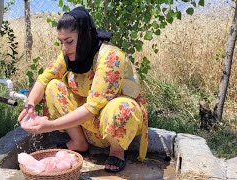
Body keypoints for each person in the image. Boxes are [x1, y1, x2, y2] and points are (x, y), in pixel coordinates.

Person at [18, 6, 148, 173]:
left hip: (111, 126)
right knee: (53, 86)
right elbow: (44, 79)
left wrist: (49, 126)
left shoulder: (110, 58)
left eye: (69, 41)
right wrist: (29, 105)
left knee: (121, 108)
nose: (65, 48)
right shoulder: (69, 55)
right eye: (61, 42)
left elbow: (93, 107)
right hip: (85, 126)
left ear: (84, 36)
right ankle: (79, 142)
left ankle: (117, 151)